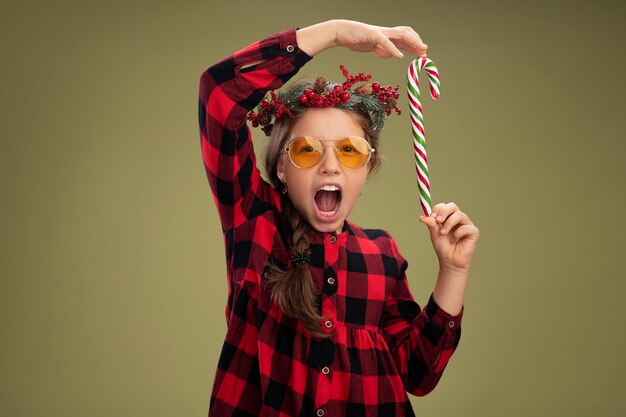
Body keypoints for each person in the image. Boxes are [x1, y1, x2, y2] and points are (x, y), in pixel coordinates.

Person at [198, 19, 479, 417]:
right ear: (281, 167)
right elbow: (219, 95)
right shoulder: (255, 223)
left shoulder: (381, 254)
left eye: (349, 152)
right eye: (309, 150)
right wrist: (332, 34)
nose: (330, 167)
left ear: (366, 169)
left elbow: (418, 375)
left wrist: (454, 271)